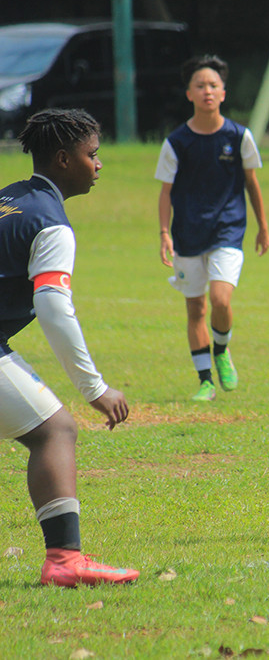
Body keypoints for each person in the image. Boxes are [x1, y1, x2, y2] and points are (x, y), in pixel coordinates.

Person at [0, 109, 138, 587]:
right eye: (91, 154)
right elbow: (54, 309)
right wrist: (95, 388)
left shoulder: (8, 197)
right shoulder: (51, 224)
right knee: (55, 430)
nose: (98, 164)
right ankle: (63, 560)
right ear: (63, 159)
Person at [155, 55, 269, 402]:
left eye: (213, 85)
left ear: (223, 93)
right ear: (189, 93)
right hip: (188, 233)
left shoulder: (239, 136)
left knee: (220, 299)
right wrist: (164, 233)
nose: (207, 91)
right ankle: (205, 381)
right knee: (196, 309)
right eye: (200, 85)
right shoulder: (176, 142)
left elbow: (252, 183)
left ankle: (221, 349)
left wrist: (263, 226)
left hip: (228, 229)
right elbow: (165, 192)